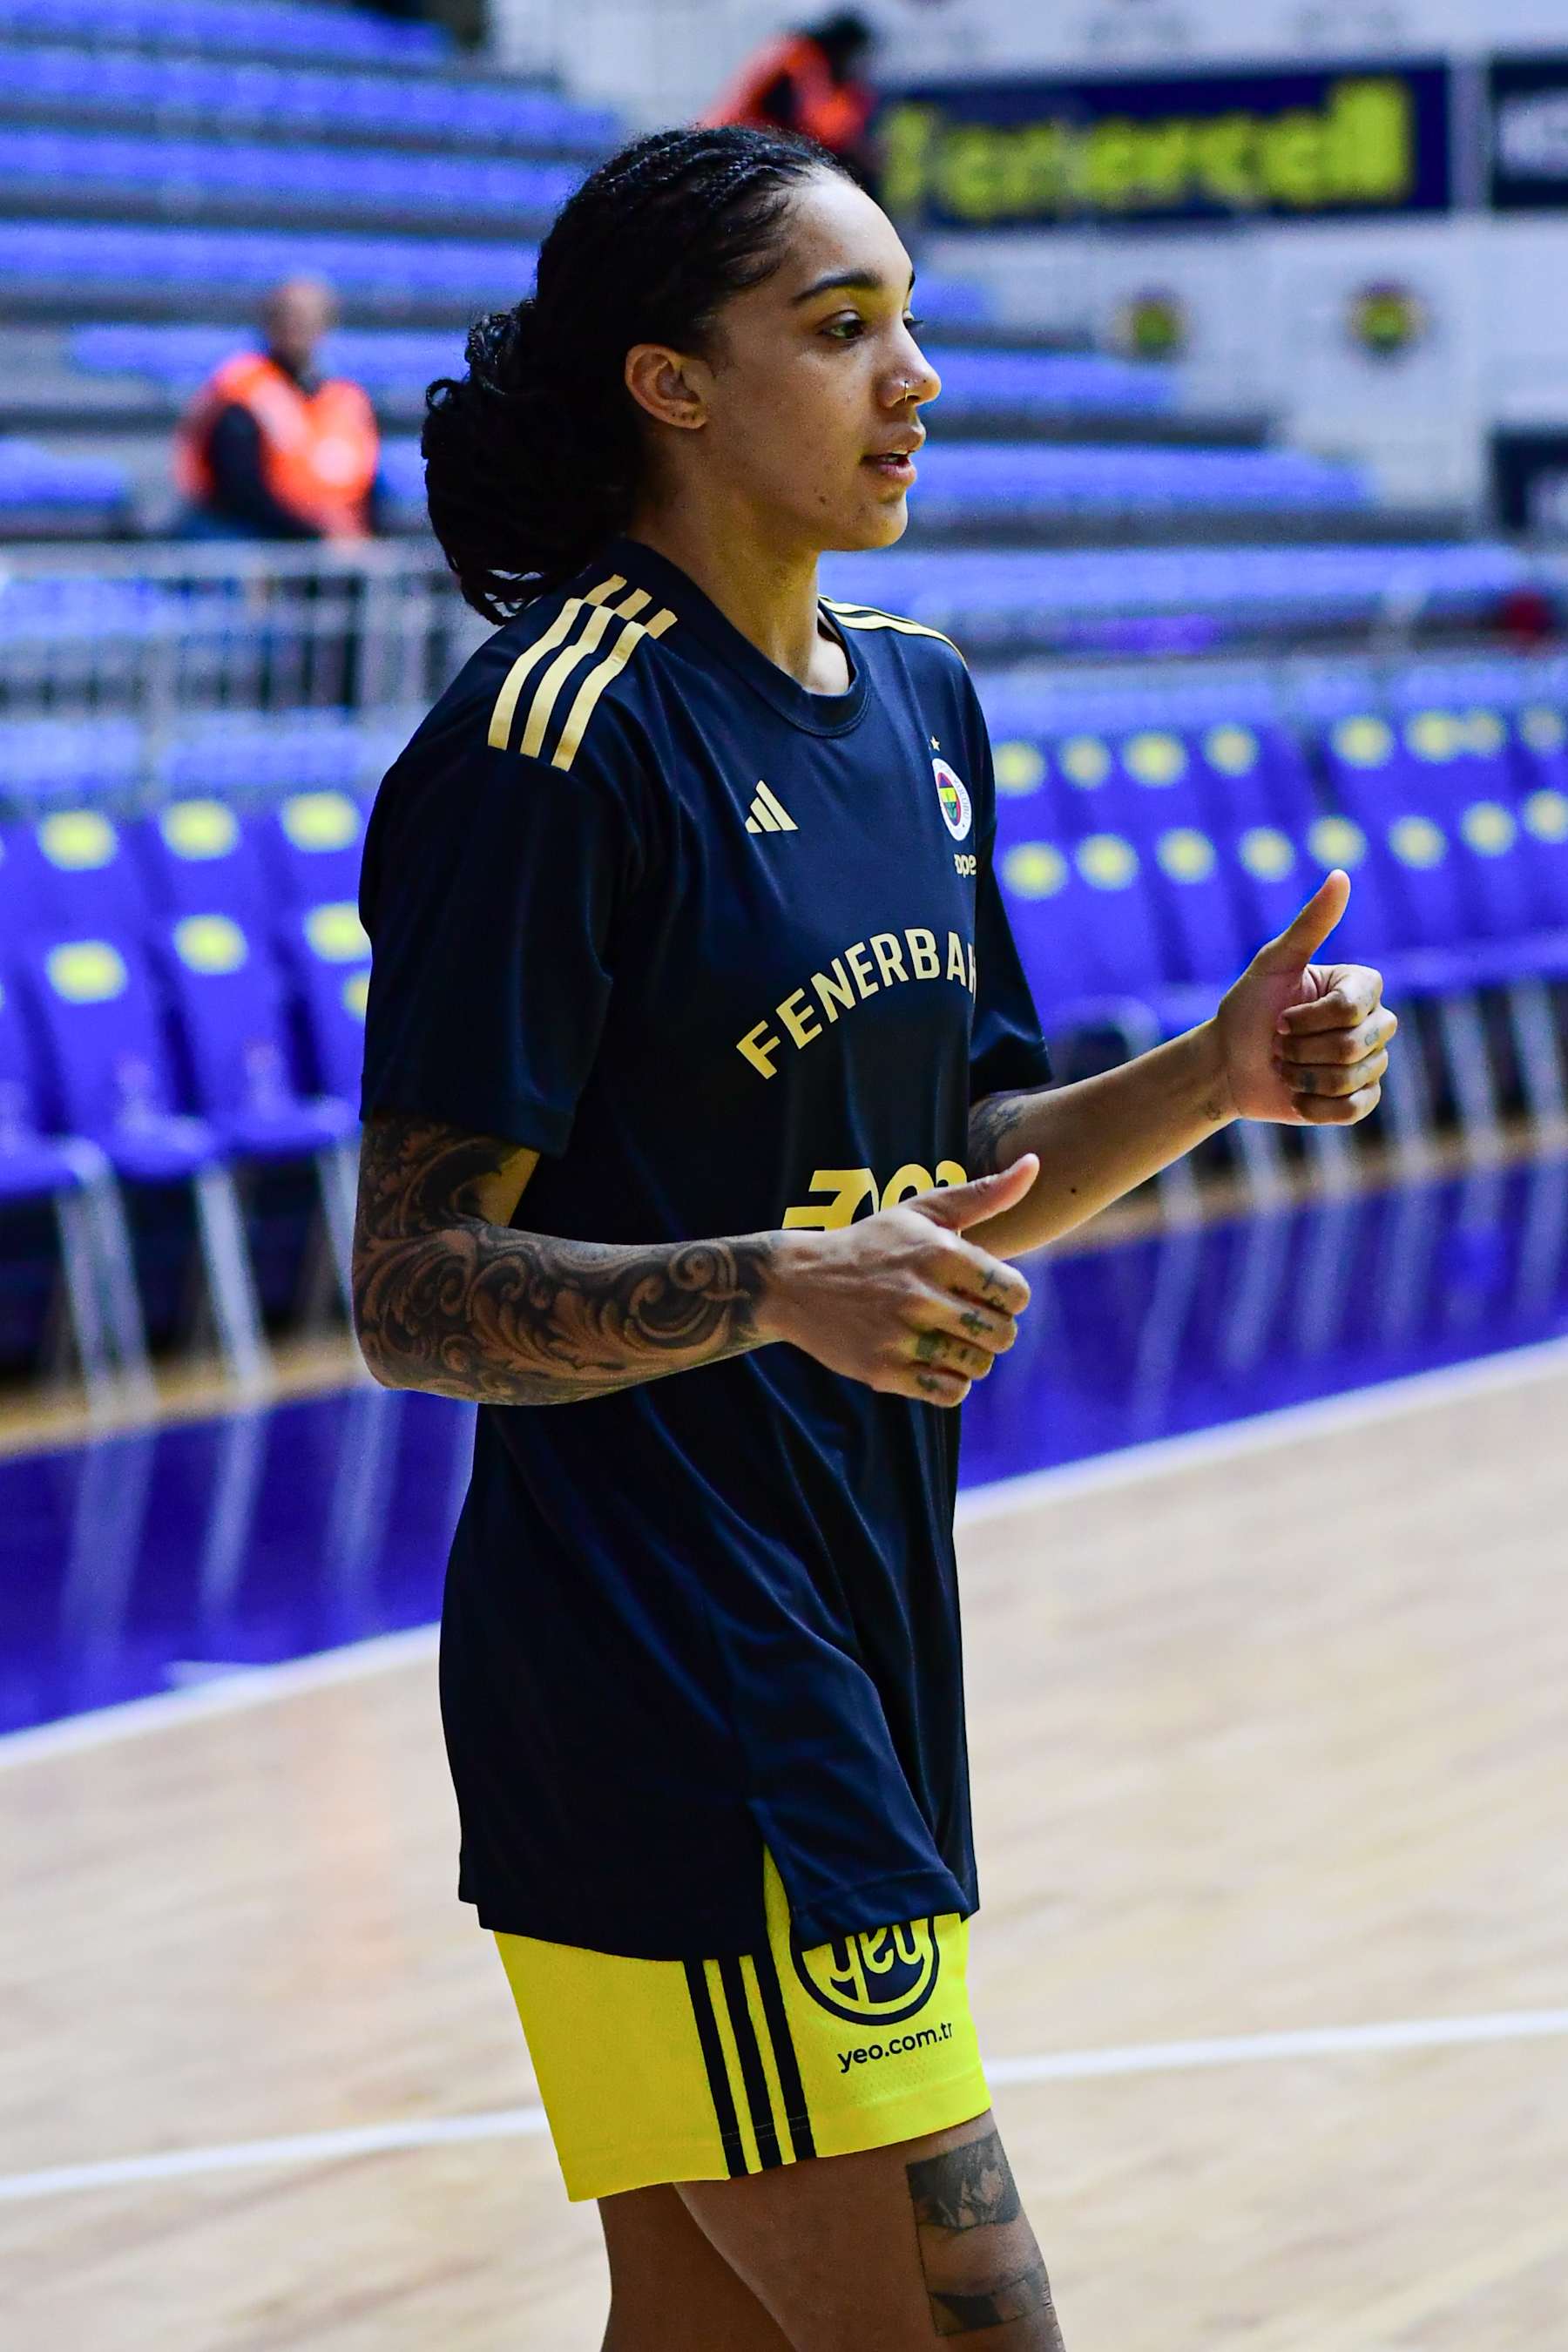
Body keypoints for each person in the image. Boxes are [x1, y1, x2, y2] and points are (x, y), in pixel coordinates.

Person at [352, 125, 1396, 2350]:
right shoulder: (552, 746)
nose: (913, 374)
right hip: (670, 1665)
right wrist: (773, 1283)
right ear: (673, 387)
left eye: (908, 317)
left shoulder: (918, 704)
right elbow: (414, 1287)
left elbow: (967, 1151)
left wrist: (1210, 1078)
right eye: (842, 331)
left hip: (861, 1594)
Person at [174, 277, 381, 542]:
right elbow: (239, 488)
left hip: (332, 539)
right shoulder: (242, 388)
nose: (298, 327)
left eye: (309, 317)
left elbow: (370, 481)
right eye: (289, 316)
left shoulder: (347, 397)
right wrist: (314, 533)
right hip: (258, 534)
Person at [703, 11, 878, 187]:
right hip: (732, 145)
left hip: (742, 144)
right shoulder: (798, 57)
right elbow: (802, 121)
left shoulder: (806, 59)